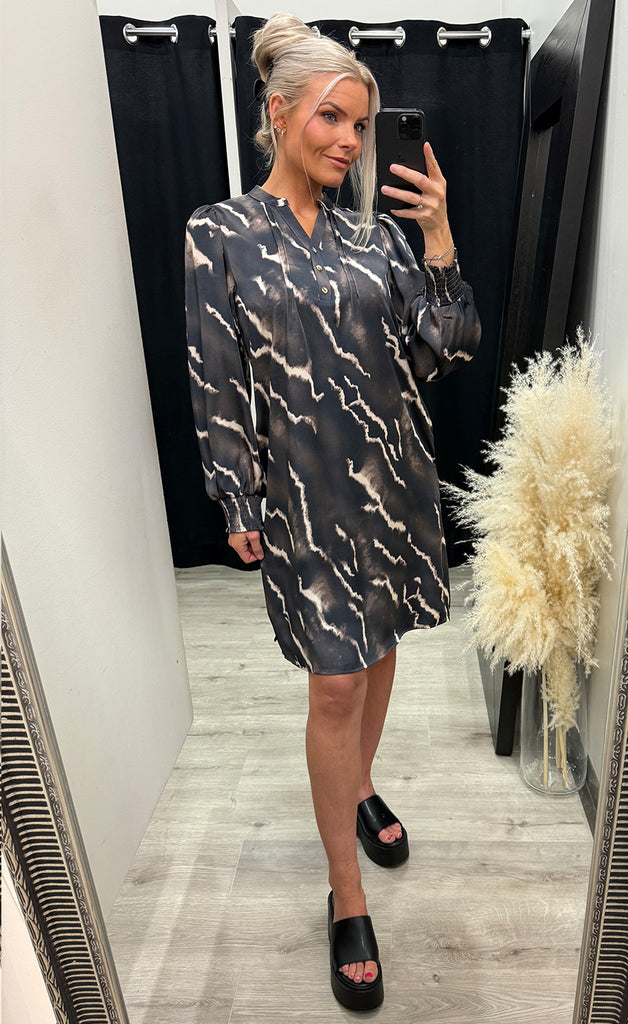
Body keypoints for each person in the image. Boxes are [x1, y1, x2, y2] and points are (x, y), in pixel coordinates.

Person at [185, 12, 481, 1011]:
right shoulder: (219, 233)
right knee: (334, 685)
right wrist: (235, 490)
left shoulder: (376, 237)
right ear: (278, 113)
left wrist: (437, 235)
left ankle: (359, 788)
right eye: (331, 118)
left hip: (392, 484)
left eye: (359, 123)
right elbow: (215, 375)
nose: (350, 141)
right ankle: (345, 893)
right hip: (303, 498)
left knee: (381, 648)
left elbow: (445, 348)